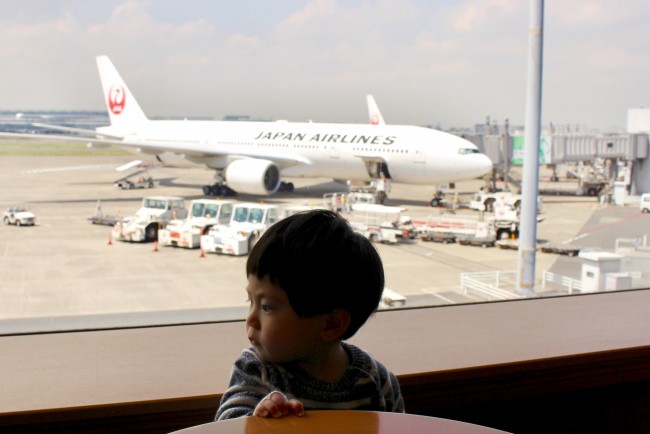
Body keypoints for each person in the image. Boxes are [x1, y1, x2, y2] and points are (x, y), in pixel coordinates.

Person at [215, 209, 404, 420]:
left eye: (267, 307)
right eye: (250, 301)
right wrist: (259, 422)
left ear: (331, 324)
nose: (250, 319)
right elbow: (225, 425)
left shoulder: (376, 381)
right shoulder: (256, 371)